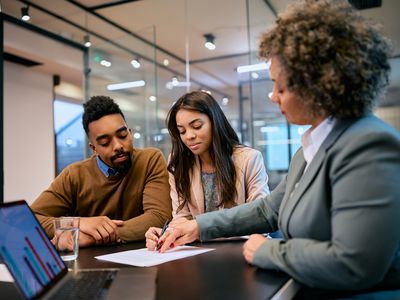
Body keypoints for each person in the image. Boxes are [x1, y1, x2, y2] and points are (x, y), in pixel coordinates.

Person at [145, 0, 400, 294]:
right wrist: (197, 227)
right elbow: (269, 210)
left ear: (318, 84)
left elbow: (354, 265)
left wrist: (268, 250)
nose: (272, 96)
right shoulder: (310, 150)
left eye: (280, 87)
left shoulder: (369, 145)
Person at [31, 95, 172, 247]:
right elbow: (29, 220)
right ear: (94, 149)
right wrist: (78, 224)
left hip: (143, 261)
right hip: (90, 265)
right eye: (105, 142)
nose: (118, 145)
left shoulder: (150, 159)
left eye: (123, 135)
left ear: (130, 133)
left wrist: (89, 238)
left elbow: (158, 216)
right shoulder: (74, 175)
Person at [166, 91, 270, 220]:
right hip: (198, 240)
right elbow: (181, 217)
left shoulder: (249, 158)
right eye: (182, 131)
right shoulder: (178, 163)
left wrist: (201, 229)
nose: (189, 136)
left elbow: (261, 216)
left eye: (197, 126)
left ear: (215, 122)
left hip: (243, 239)